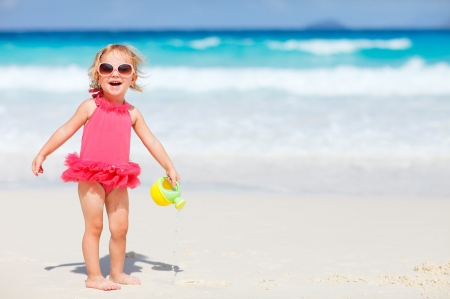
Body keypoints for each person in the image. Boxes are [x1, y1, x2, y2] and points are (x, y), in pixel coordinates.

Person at [31, 44, 180, 291]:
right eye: (107, 68)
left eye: (123, 68)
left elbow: (151, 141)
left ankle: (117, 272)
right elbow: (65, 129)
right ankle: (93, 276)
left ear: (133, 77)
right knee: (95, 226)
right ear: (97, 75)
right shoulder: (89, 107)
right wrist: (42, 153)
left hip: (119, 177)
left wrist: (169, 166)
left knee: (120, 228)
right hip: (90, 175)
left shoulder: (133, 113)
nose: (115, 73)